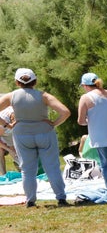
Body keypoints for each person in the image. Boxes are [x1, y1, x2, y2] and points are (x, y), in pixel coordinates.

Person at [0, 68, 69, 207]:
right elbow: (65, 112)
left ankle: (30, 200)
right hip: (44, 132)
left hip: (22, 134)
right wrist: (54, 123)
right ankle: (61, 198)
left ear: (17, 82)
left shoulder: (11, 96)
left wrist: (7, 124)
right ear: (35, 82)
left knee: (27, 169)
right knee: (52, 167)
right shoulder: (44, 96)